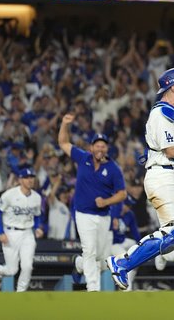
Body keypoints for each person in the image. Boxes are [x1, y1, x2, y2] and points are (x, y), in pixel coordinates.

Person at [106, 67, 174, 291]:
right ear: (173, 87)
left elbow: (167, 152)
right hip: (163, 176)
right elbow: (172, 151)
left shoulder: (169, 113)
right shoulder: (163, 112)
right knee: (173, 233)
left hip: (169, 174)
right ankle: (121, 262)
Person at [58, 117, 127, 292]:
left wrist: (106, 201)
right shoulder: (83, 158)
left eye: (103, 145)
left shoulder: (113, 168)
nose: (100, 147)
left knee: (102, 258)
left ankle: (79, 264)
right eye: (97, 144)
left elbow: (122, 194)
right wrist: (65, 124)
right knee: (89, 251)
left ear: (107, 149)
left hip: (103, 216)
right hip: (83, 214)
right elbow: (63, 142)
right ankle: (93, 289)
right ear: (91, 147)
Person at [0, 168, 43, 292]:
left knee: (27, 266)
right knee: (11, 270)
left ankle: (20, 294)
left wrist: (37, 228)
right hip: (11, 232)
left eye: (32, 177)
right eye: (27, 178)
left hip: (27, 234)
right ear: (20, 180)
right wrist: (1, 232)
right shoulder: (9, 194)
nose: (30, 180)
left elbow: (37, 216)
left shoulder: (37, 197)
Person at [108, 200, 141, 291]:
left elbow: (135, 232)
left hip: (122, 241)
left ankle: (128, 283)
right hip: (111, 243)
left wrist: (140, 244)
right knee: (126, 259)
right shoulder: (112, 212)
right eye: (126, 205)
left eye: (130, 206)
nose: (128, 207)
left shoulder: (129, 214)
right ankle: (126, 288)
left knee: (137, 250)